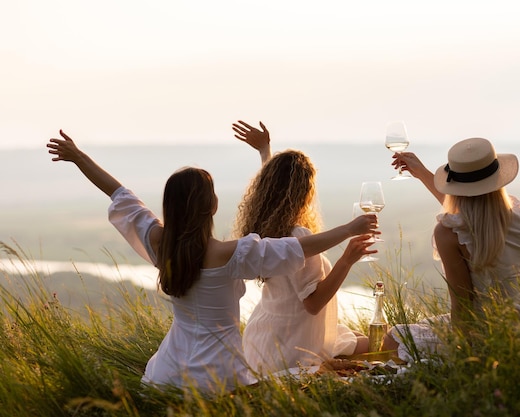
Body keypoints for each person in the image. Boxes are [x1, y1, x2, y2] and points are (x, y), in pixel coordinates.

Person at [46, 130, 378, 393]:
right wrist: (349, 229)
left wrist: (79, 158)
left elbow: (119, 194)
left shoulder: (160, 243)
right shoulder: (232, 255)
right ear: (212, 207)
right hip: (219, 379)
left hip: (168, 373)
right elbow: (297, 247)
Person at [231, 120, 374, 374]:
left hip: (263, 342)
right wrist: (346, 260)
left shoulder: (265, 227)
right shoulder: (299, 235)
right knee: (377, 343)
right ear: (305, 192)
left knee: (355, 336)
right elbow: (313, 304)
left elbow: (275, 186)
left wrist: (266, 152)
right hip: (293, 348)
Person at [382, 137, 520, 361]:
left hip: (481, 334)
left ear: (454, 184)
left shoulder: (447, 233)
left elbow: (462, 307)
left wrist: (464, 357)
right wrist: (422, 173)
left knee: (394, 338)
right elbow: (471, 216)